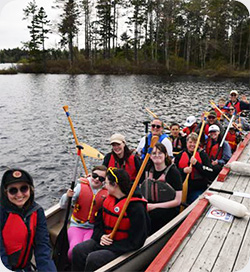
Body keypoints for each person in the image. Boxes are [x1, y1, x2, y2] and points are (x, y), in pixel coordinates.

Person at [71, 168, 150, 271]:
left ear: (115, 185)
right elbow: (98, 224)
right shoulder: (108, 199)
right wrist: (101, 236)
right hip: (106, 241)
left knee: (94, 259)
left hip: (122, 247)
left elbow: (137, 240)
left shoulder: (135, 207)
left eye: (107, 183)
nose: (104, 186)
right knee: (78, 250)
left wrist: (112, 246)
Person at [0, 168, 56, 272]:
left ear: (30, 189)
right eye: (13, 190)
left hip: (25, 267)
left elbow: (42, 247)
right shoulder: (2, 213)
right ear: (5, 192)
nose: (19, 195)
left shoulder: (37, 212)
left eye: (24, 188)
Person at [59, 165, 108, 261]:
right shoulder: (80, 187)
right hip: (76, 226)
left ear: (104, 181)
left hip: (92, 228)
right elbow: (63, 205)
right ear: (91, 175)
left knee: (85, 251)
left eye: (101, 178)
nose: (97, 179)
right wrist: (67, 196)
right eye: (95, 176)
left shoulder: (106, 192)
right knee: (72, 251)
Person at [141, 143, 182, 234]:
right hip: (150, 205)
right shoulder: (147, 169)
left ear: (165, 155)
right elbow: (142, 191)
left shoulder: (173, 173)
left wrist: (153, 206)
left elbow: (177, 201)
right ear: (150, 156)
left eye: (160, 153)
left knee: (155, 215)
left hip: (168, 208)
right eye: (154, 153)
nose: (157, 156)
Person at [175, 133, 215, 204]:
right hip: (182, 188)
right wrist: (183, 170)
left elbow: (211, 172)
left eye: (195, 142)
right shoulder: (179, 155)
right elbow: (174, 172)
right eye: (190, 142)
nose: (192, 145)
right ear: (186, 143)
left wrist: (197, 164)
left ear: (198, 144)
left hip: (198, 188)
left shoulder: (203, 155)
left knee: (195, 200)